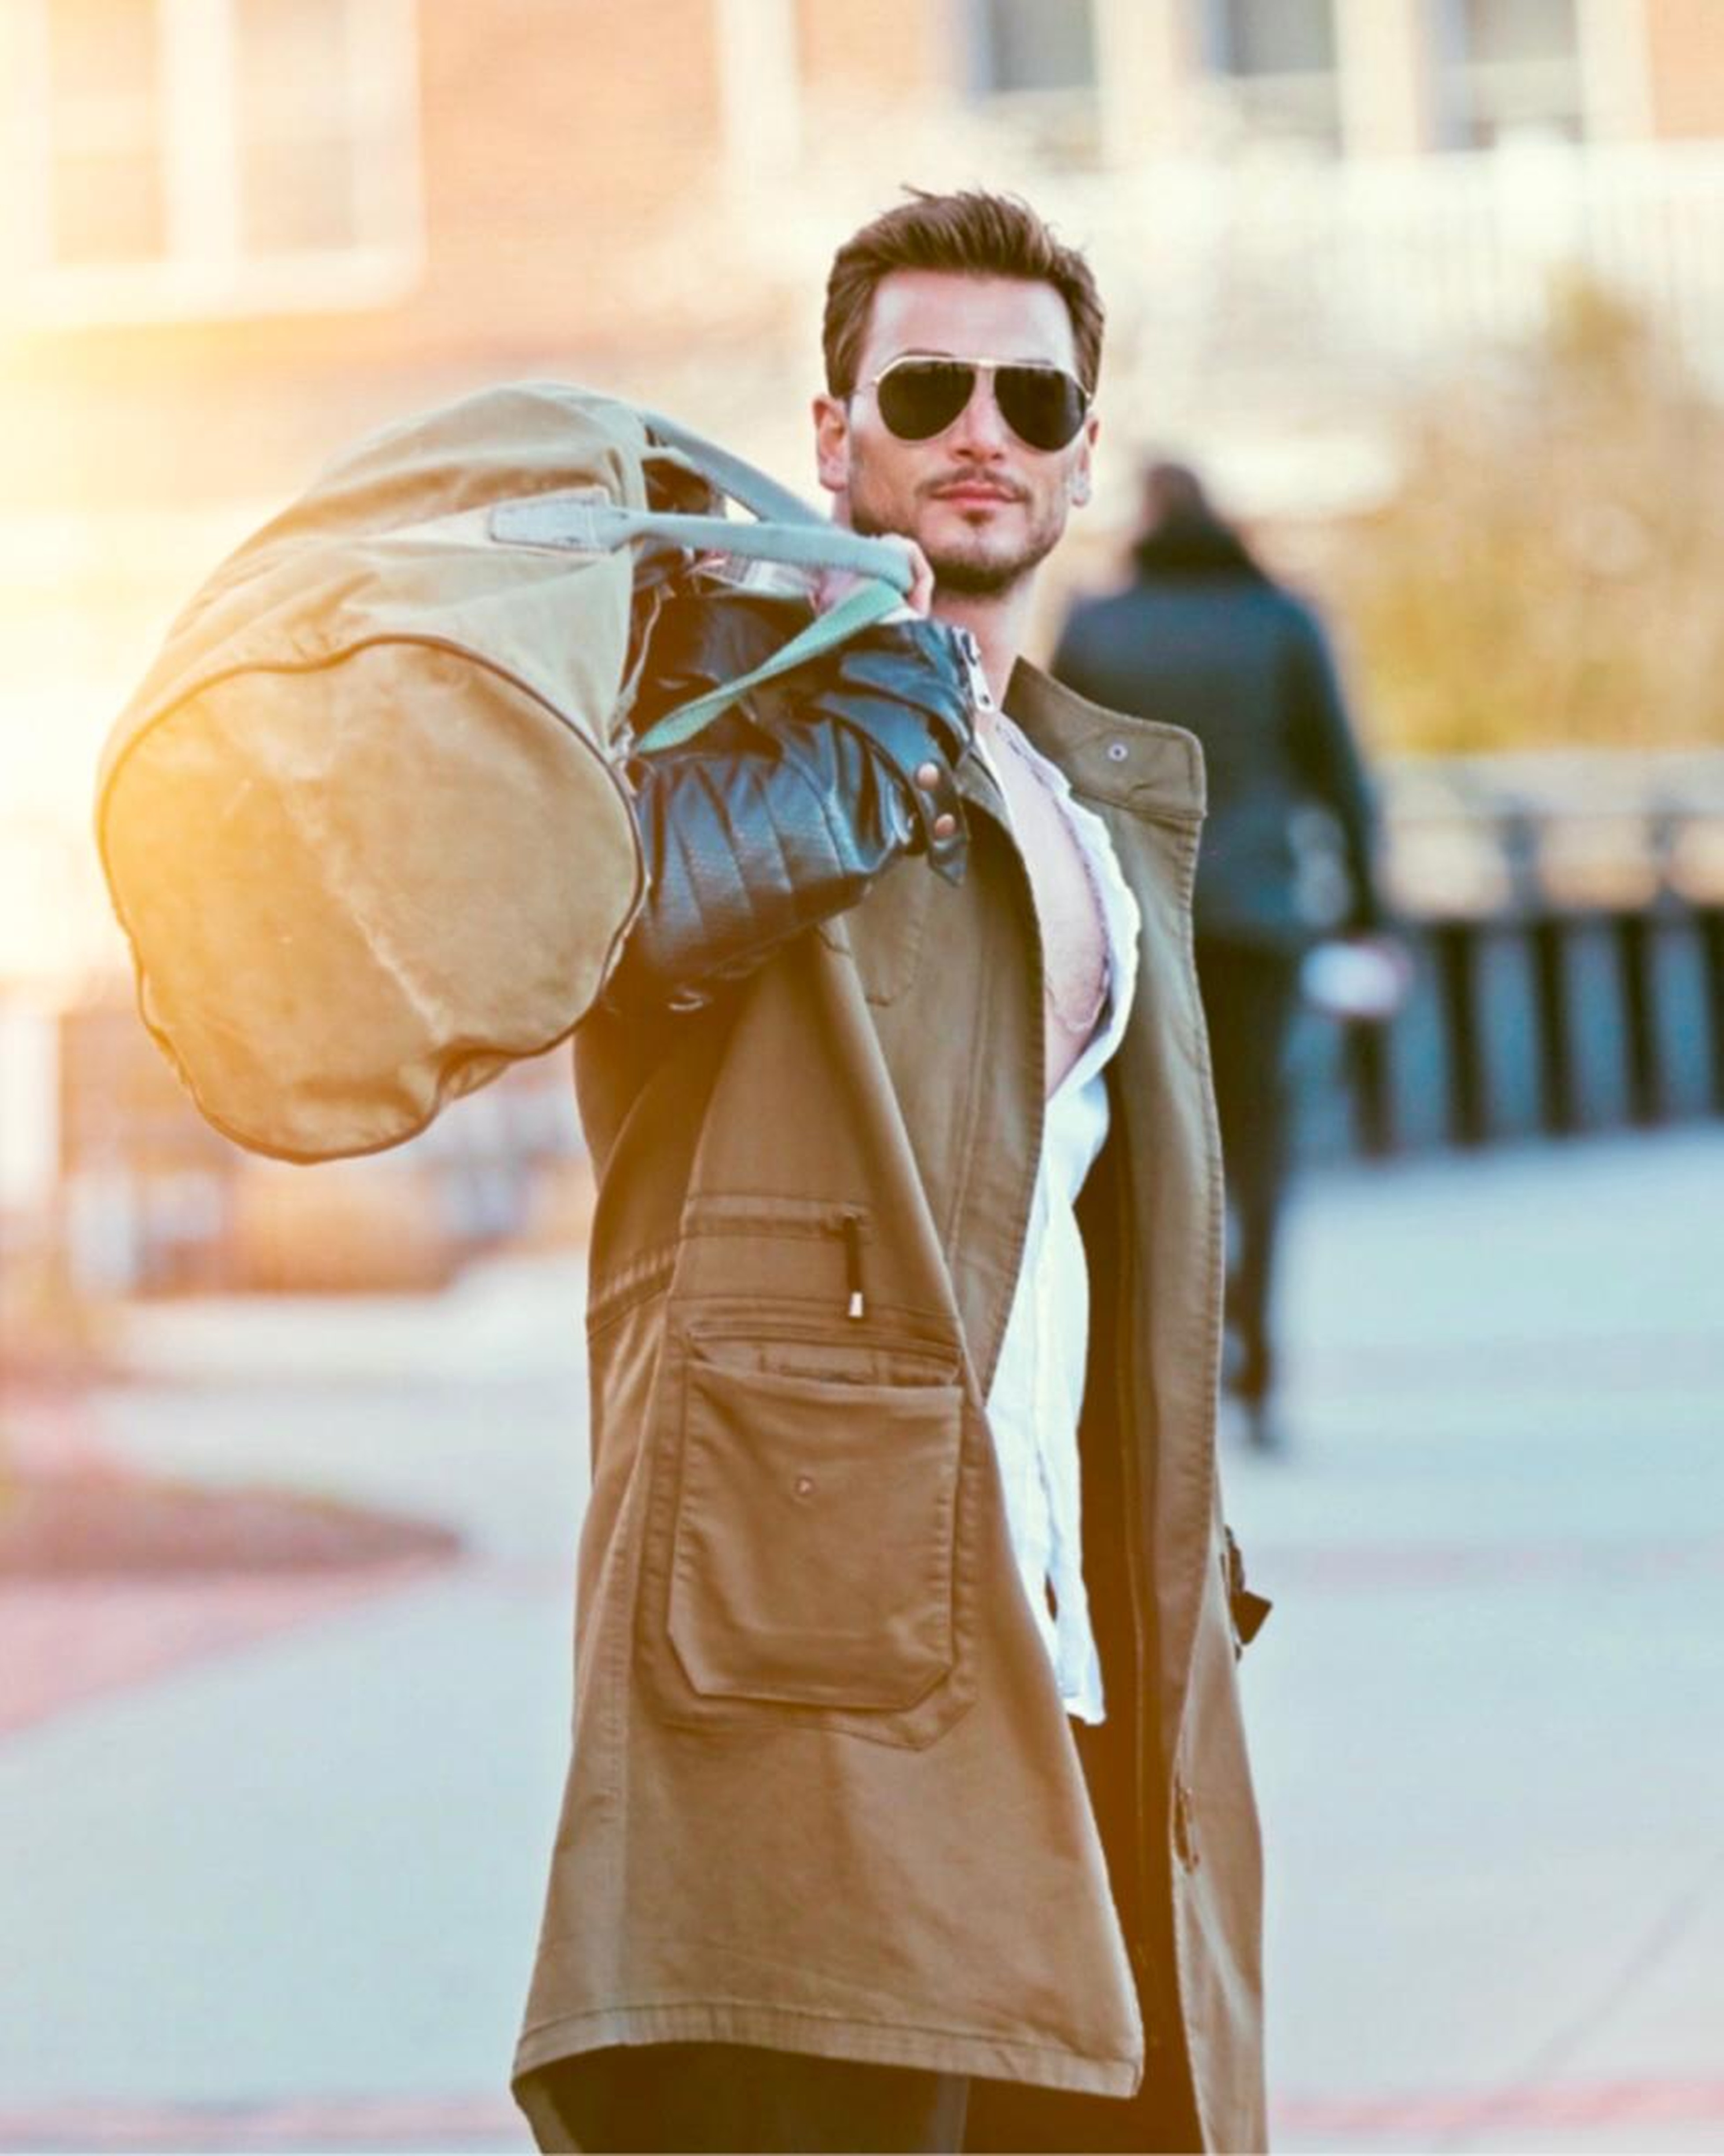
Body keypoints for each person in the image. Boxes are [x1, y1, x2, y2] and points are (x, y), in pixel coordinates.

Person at [511, 193, 1268, 2155]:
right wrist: (845, 700)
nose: (983, 431)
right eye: (926, 389)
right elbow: (610, 937)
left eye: (1036, 397)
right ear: (833, 433)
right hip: (808, 1652)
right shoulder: (728, 723)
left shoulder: (1095, 805)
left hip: (1071, 1645)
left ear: (1085, 453)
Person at [1054, 463, 1388, 1446]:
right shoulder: (1281, 620)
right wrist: (1369, 915)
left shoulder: (1100, 625)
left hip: (1135, 919)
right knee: (1257, 1136)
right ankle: (1260, 1356)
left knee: (1135, 1141)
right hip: (1258, 918)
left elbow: (1049, 765)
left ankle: (1157, 1359)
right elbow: (1340, 775)